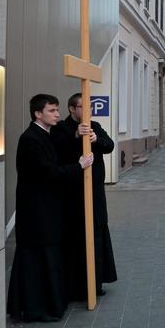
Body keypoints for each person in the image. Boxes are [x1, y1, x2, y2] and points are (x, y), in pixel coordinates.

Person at [7, 94, 93, 322]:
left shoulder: (45, 134)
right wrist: (79, 166)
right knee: (37, 259)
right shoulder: (30, 139)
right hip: (36, 211)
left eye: (57, 110)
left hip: (47, 209)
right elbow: (48, 173)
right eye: (52, 110)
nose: (57, 114)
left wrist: (78, 137)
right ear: (38, 113)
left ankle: (49, 305)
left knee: (47, 256)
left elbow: (61, 150)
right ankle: (37, 308)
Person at [52, 93, 117, 301]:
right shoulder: (62, 128)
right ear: (72, 109)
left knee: (97, 236)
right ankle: (75, 286)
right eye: (82, 107)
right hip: (73, 195)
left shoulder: (94, 125)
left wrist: (96, 139)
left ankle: (95, 283)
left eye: (89, 106)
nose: (87, 111)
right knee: (75, 239)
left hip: (95, 193)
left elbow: (109, 145)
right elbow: (58, 147)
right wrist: (75, 136)